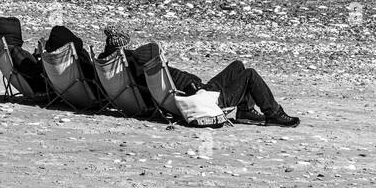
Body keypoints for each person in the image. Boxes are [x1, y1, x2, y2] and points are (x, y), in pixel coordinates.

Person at [101, 25, 300, 127]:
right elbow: (149, 55)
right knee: (249, 74)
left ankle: (246, 110)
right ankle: (273, 114)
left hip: (196, 91)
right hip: (200, 99)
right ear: (125, 47)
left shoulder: (124, 70)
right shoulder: (137, 63)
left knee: (237, 65)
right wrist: (192, 86)